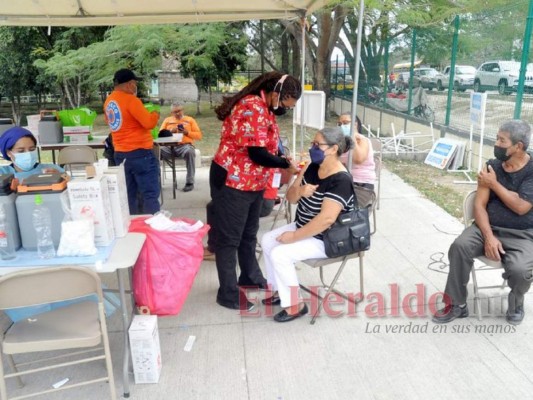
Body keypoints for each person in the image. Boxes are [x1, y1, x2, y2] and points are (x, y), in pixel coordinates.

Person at [210, 71, 300, 311]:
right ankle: (227, 293)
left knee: (249, 234)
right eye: (284, 104)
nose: (283, 109)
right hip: (233, 181)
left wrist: (282, 156)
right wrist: (284, 164)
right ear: (276, 93)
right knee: (229, 238)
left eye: (288, 108)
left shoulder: (266, 107)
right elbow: (256, 153)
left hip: (253, 182)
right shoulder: (251, 106)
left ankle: (249, 277)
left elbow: (268, 145)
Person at [432, 120, 533, 326]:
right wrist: (488, 237)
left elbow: (522, 207)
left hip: (523, 234)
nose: (496, 143)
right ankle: (457, 304)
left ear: (518, 146)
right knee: (460, 246)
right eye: (497, 137)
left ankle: (516, 302)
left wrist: (494, 184)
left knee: (521, 271)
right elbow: (479, 205)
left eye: (501, 140)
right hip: (487, 227)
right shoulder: (491, 165)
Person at [261, 127, 356, 322]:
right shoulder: (313, 166)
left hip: (327, 238)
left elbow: (326, 220)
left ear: (332, 149)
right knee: (268, 240)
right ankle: (282, 291)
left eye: (316, 144)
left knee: (281, 253)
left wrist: (294, 237)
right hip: (305, 227)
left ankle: (296, 306)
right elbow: (291, 198)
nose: (312, 148)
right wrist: (301, 189)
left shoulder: (341, 180)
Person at [104, 68, 160, 214]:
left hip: (120, 154)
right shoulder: (131, 100)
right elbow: (148, 123)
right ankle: (153, 225)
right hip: (140, 153)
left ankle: (132, 228)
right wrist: (155, 114)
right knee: (150, 194)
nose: (136, 87)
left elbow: (110, 122)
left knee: (129, 195)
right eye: (135, 83)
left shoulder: (109, 102)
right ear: (129, 84)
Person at [159, 102, 202, 192]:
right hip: (168, 147)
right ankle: (156, 182)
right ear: (171, 112)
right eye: (175, 112)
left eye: (179, 111)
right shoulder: (167, 120)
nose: (177, 113)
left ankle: (190, 182)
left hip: (184, 146)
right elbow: (160, 135)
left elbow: (199, 136)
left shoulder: (190, 120)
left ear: (183, 110)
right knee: (155, 152)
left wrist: (187, 133)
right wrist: (170, 131)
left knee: (190, 152)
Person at [338, 112, 376, 190]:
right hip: (344, 181)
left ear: (355, 124)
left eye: (345, 123)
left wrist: (353, 138)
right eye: (339, 124)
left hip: (361, 184)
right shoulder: (341, 142)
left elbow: (358, 159)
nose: (342, 126)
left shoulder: (363, 140)